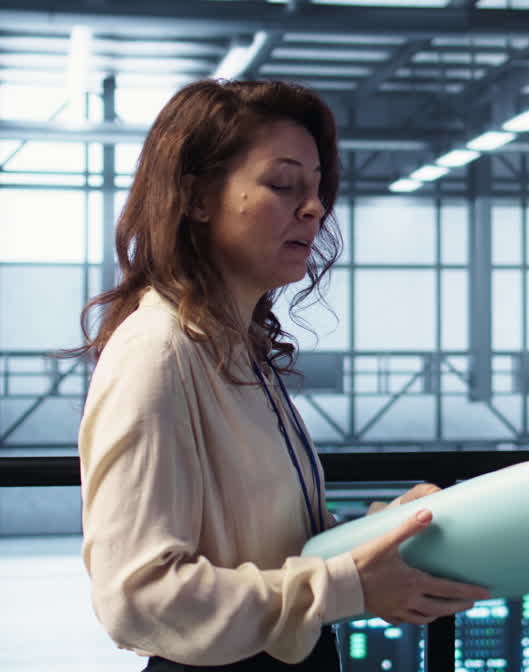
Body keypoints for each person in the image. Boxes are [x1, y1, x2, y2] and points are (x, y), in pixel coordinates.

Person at [75, 79, 488, 671]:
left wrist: (386, 534)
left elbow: (270, 550)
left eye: (317, 188)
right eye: (282, 184)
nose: (314, 208)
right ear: (195, 198)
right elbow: (137, 599)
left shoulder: (237, 346)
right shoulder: (157, 352)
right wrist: (348, 587)